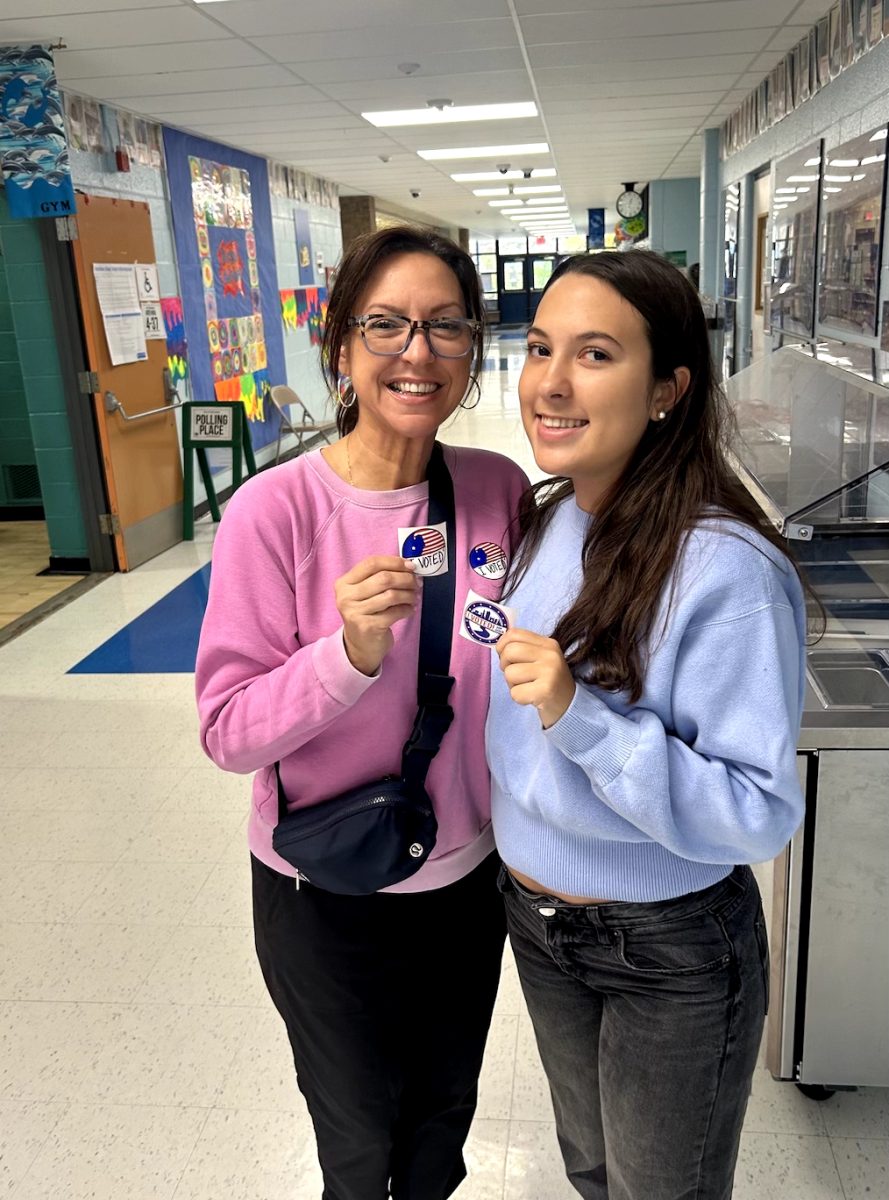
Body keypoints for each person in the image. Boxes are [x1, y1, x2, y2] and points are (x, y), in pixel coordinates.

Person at [195, 226, 528, 1200]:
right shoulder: (274, 511)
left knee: (439, 1130)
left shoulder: (495, 491)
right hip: (322, 892)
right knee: (356, 1143)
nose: (415, 352)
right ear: (339, 349)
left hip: (465, 883)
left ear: (470, 353)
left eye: (444, 327)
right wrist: (344, 659)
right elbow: (227, 730)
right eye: (384, 325)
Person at [486, 249, 809, 1200]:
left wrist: (575, 713)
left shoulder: (725, 571)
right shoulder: (548, 524)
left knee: (658, 1192)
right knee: (591, 1169)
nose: (548, 382)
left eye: (593, 354)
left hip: (666, 947)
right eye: (540, 348)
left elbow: (754, 813)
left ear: (667, 388)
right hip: (538, 925)